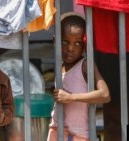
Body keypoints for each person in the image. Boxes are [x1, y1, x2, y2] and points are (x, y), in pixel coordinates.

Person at [47, 12, 111, 141]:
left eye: (77, 43)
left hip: (78, 136)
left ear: (85, 45)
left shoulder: (85, 65)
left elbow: (105, 95)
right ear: (55, 41)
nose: (70, 48)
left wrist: (72, 97)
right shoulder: (60, 66)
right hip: (57, 130)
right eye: (65, 42)